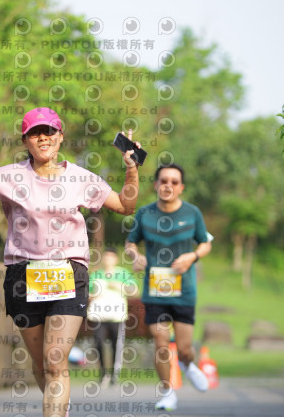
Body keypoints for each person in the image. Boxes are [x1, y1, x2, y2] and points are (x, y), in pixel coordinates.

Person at [0, 105, 140, 417]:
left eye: (49, 131)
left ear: (60, 137)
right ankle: (60, 406)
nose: (43, 138)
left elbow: (125, 206)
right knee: (42, 365)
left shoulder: (80, 178)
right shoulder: (10, 176)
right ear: (25, 141)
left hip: (68, 274)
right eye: (35, 133)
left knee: (54, 359)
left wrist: (131, 170)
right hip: (23, 276)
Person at [124, 162, 212, 411]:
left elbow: (205, 243)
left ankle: (188, 364)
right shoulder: (145, 214)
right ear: (156, 185)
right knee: (160, 340)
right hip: (155, 290)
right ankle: (167, 392)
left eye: (174, 182)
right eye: (163, 181)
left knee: (184, 349)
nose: (168, 186)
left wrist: (192, 256)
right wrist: (135, 256)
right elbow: (130, 244)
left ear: (181, 187)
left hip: (184, 290)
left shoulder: (192, 213)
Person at [87, 247, 138, 387]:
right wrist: (94, 294)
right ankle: (104, 373)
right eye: (106, 256)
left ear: (116, 259)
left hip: (117, 315)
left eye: (111, 257)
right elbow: (88, 293)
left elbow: (134, 290)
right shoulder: (96, 274)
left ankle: (115, 374)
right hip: (98, 314)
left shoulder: (123, 273)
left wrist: (118, 285)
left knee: (116, 344)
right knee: (98, 342)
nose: (108, 259)